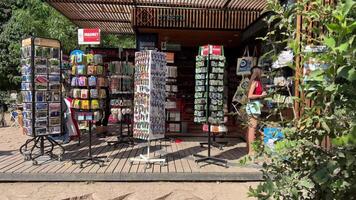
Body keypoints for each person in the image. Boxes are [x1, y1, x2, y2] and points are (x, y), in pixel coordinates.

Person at [246, 66, 267, 154]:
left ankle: (250, 149)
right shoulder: (255, 82)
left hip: (253, 105)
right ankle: (251, 151)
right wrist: (261, 95)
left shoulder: (253, 82)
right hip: (254, 104)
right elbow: (250, 96)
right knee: (252, 128)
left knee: (251, 128)